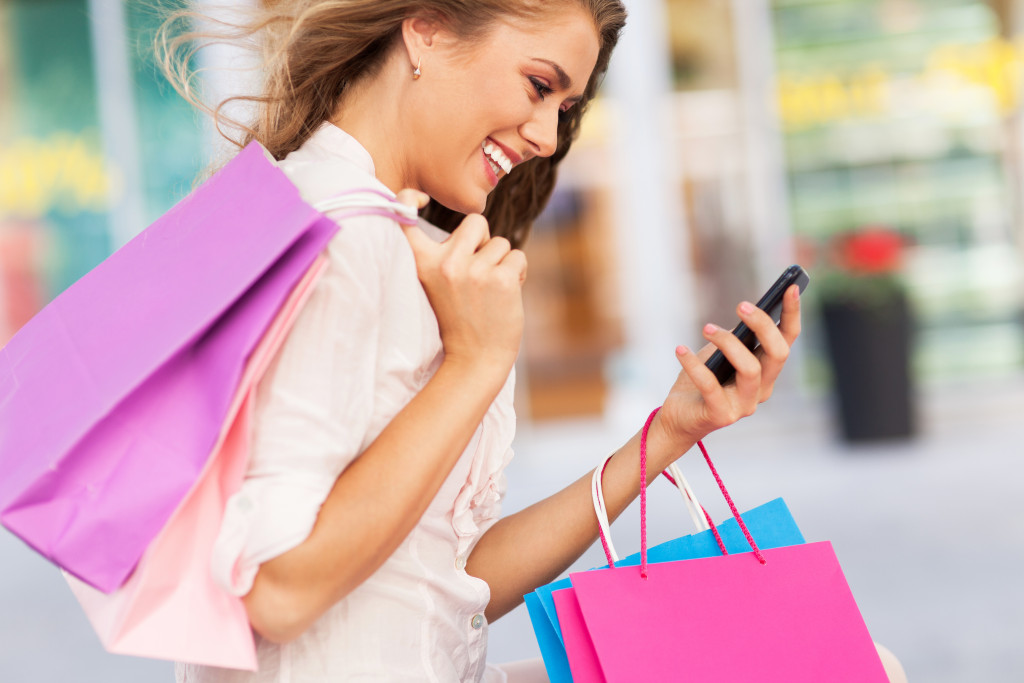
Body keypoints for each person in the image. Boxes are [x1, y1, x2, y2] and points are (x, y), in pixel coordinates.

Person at [156, 1, 854, 681]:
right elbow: (276, 590)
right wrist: (474, 361)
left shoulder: (391, 236)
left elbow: (439, 583)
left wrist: (669, 433)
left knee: (831, 663)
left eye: (565, 109)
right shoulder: (336, 240)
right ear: (425, 31)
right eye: (540, 85)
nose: (548, 136)